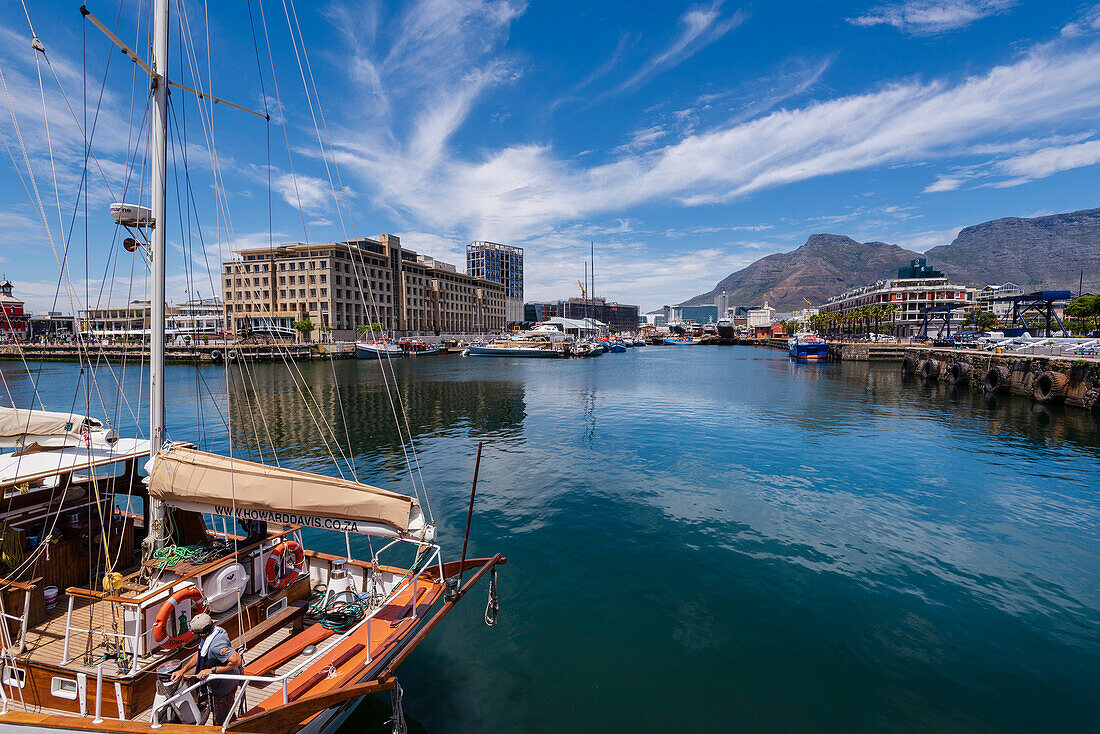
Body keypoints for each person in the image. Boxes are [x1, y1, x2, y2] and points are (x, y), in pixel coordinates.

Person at [170, 613, 243, 725]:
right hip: (219, 685)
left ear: (201, 634)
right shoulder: (215, 631)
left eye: (194, 632)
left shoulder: (216, 647)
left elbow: (236, 660)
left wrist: (210, 671)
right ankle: (234, 723)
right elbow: (200, 654)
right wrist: (182, 670)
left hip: (224, 688)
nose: (193, 633)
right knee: (226, 712)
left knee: (220, 721)